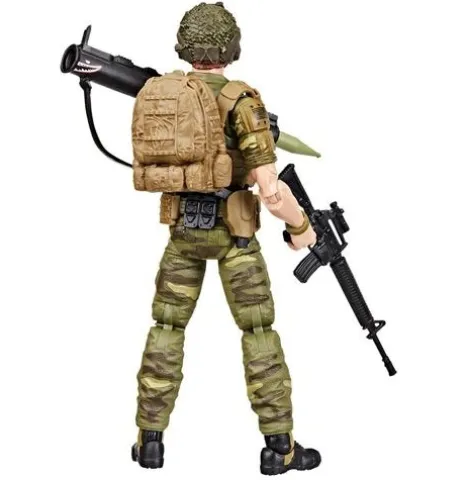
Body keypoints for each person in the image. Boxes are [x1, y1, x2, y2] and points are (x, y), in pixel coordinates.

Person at [131, 2, 321, 475]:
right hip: (235, 236)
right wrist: (301, 227)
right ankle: (279, 448)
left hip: (183, 232)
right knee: (258, 332)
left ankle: (149, 441)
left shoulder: (168, 94)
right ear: (230, 48)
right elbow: (271, 190)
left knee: (166, 328)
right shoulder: (242, 100)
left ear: (185, 46)